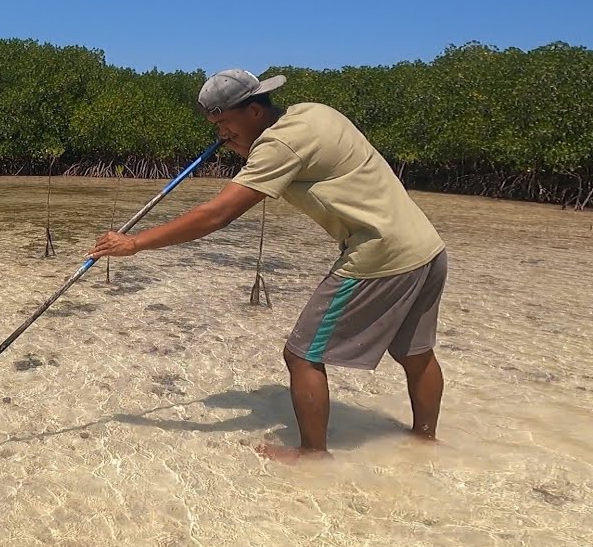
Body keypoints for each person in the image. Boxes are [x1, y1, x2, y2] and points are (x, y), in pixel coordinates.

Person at [86, 68, 448, 463]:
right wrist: (245, 146)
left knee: (302, 354)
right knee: (414, 351)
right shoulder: (312, 112)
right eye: (216, 125)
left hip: (381, 254)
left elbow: (216, 215)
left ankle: (313, 455)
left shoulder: (278, 146)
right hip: (426, 247)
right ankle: (424, 442)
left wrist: (135, 243)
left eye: (224, 122)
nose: (221, 133)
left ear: (254, 111)